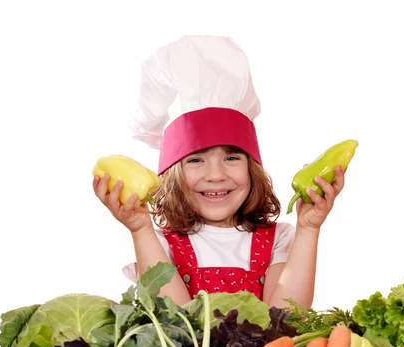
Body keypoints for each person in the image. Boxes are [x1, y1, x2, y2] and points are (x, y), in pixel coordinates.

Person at [93, 36, 347, 309]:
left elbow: (285, 321)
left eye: (231, 157)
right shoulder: (159, 244)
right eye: (195, 161)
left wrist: (308, 229)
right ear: (172, 175)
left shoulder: (279, 239)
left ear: (252, 170)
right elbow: (175, 324)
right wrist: (140, 229)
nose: (215, 175)